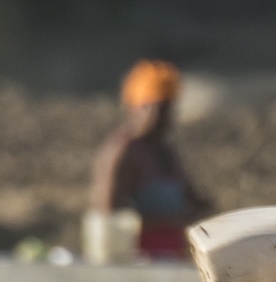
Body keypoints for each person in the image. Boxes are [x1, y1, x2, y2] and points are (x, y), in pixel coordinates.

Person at [89, 60, 211, 259]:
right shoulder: (123, 153)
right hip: (137, 265)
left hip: (172, 260)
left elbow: (191, 200)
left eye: (168, 110)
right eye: (157, 109)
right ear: (137, 107)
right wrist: (172, 221)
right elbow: (108, 218)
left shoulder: (166, 151)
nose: (163, 118)